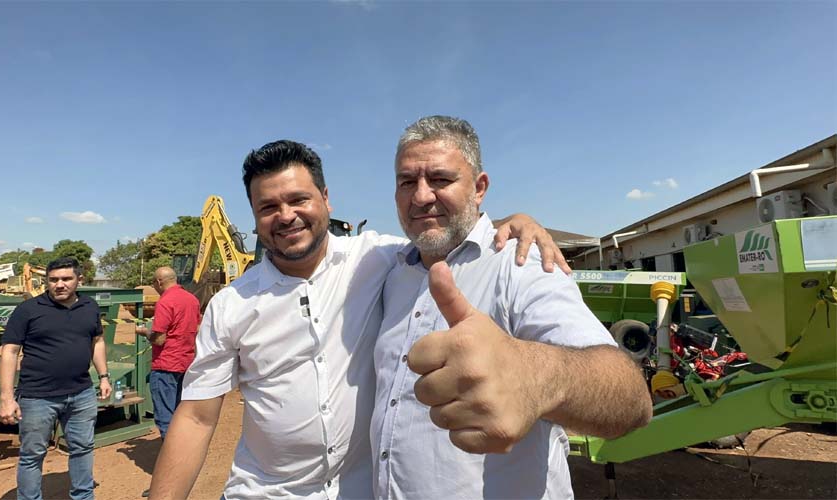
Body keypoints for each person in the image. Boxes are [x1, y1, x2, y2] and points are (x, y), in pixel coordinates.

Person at [148, 140, 565, 499]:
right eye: (268, 206)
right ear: (255, 218)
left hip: (362, 489)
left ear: (326, 199)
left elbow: (446, 234)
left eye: (298, 199)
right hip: (267, 491)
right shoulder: (231, 303)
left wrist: (517, 221)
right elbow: (198, 416)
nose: (286, 215)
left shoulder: (379, 258)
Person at [371, 115, 654, 499]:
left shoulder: (520, 263)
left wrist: (535, 374)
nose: (421, 196)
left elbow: (630, 398)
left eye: (440, 179)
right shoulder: (391, 271)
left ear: (479, 187)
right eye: (407, 181)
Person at [0, 257, 112, 500]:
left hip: (81, 394)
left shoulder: (90, 307)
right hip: (37, 397)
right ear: (46, 281)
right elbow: (9, 351)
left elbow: (97, 342)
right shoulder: (28, 310)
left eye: (66, 279)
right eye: (54, 280)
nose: (60, 284)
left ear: (79, 280)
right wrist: (7, 398)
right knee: (32, 455)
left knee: (82, 449)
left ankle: (83, 496)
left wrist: (104, 377)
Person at [135, 267, 200, 497]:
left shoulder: (165, 302)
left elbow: (159, 336)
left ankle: (169, 481)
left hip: (165, 365)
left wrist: (144, 331)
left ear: (158, 281)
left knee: (166, 423)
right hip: (186, 365)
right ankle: (186, 470)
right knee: (182, 419)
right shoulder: (191, 300)